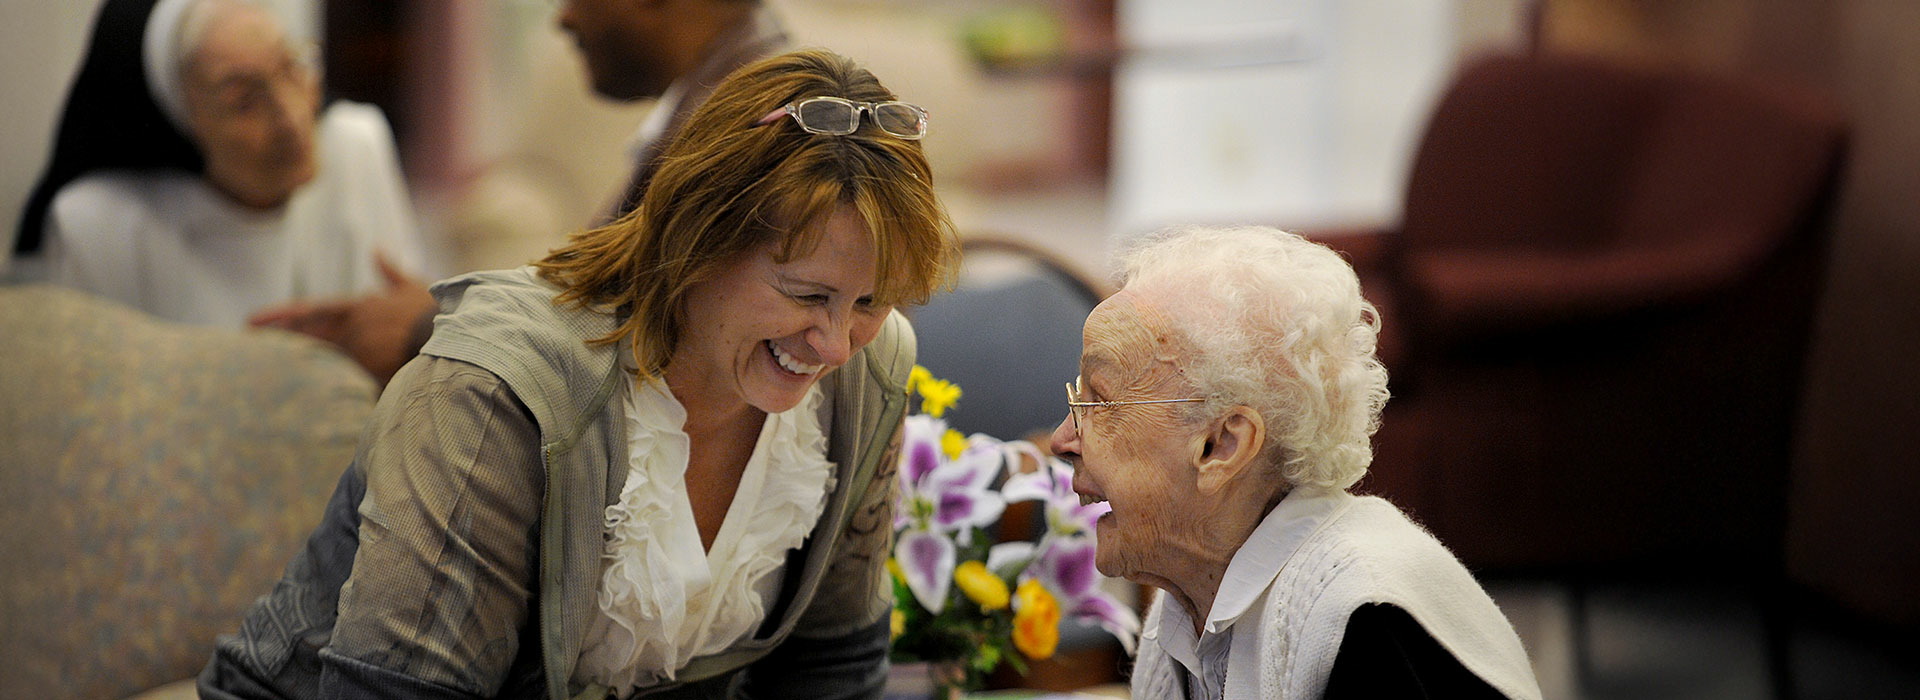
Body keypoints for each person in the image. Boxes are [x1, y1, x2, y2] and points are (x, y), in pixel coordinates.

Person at [198, 48, 959, 699]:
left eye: (871, 300)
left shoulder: (870, 368)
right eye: (805, 295)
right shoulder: (492, 394)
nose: (835, 344)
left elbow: (830, 671)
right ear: (697, 239)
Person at [1048, 226, 1542, 700]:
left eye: (1100, 402)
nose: (1062, 439)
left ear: (1220, 446)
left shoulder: (1365, 618)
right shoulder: (1193, 609)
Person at [251, 0, 789, 384]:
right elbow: (604, 300)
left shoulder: (737, 136)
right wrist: (451, 309)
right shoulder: (723, 94)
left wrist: (427, 328)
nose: (563, 17)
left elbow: (619, 355)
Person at [13, 0, 424, 328]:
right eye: (244, 101)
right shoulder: (101, 223)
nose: (292, 117)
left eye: (292, 66)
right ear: (184, 120)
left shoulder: (355, 146)